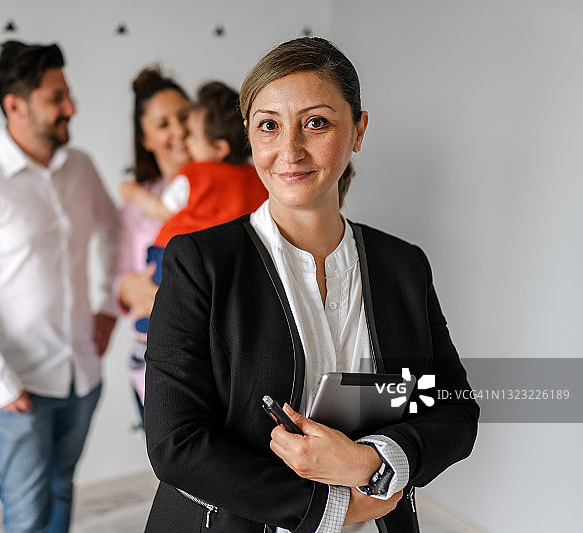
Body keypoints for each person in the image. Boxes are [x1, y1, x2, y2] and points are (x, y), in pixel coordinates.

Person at [144, 37, 479, 532]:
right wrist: (329, 508)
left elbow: (453, 408)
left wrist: (368, 463)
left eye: (316, 122)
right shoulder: (201, 264)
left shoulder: (402, 266)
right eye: (269, 126)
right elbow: (177, 444)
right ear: (249, 136)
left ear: (359, 130)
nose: (290, 150)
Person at [0, 40, 118, 533]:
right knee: (27, 514)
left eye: (68, 94)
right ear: (15, 105)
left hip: (82, 374)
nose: (71, 108)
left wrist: (108, 305)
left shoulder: (81, 166)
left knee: (62, 490)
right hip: (20, 386)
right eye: (57, 98)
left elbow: (114, 232)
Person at [121, 81, 268, 293]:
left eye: (186, 125)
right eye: (163, 124)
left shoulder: (193, 176)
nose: (182, 134)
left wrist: (133, 192)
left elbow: (161, 210)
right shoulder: (259, 178)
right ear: (145, 140)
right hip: (232, 265)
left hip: (175, 252)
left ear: (219, 148)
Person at [113, 67, 191, 425]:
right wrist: (130, 289)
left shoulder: (232, 189)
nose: (178, 131)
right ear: (146, 139)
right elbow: (118, 283)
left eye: (185, 117)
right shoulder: (136, 207)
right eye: (163, 124)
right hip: (154, 361)